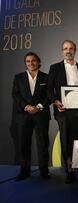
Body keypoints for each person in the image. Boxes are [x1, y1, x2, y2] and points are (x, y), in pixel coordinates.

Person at [47, 40, 78, 183]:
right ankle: (69, 171)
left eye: (70, 48)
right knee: (65, 140)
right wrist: (56, 101)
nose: (68, 51)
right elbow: (48, 89)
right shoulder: (55, 68)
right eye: (65, 48)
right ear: (62, 51)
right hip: (62, 110)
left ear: (75, 50)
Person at [12, 52, 51, 181]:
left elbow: (49, 96)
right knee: (24, 144)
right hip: (23, 115)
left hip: (41, 115)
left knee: (43, 143)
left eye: (33, 60)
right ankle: (24, 171)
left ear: (38, 62)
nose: (31, 63)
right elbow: (16, 95)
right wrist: (27, 106)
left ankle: (44, 171)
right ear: (25, 63)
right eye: (28, 61)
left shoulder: (46, 77)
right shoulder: (18, 77)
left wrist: (39, 107)